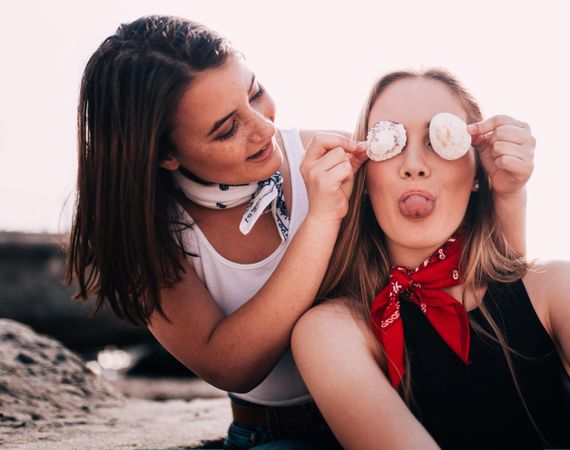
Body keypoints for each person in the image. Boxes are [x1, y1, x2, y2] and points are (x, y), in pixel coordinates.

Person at [65, 16, 527, 449]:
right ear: (165, 154)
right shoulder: (147, 237)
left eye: (255, 92)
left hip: (406, 411)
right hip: (276, 434)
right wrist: (321, 219)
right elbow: (232, 365)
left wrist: (506, 193)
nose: (264, 127)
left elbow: (478, 280)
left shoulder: (327, 158)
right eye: (228, 129)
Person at [291, 68, 570, 449]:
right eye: (389, 141)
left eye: (440, 140)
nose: (413, 164)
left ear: (479, 170)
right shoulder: (331, 332)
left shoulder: (559, 288)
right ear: (362, 174)